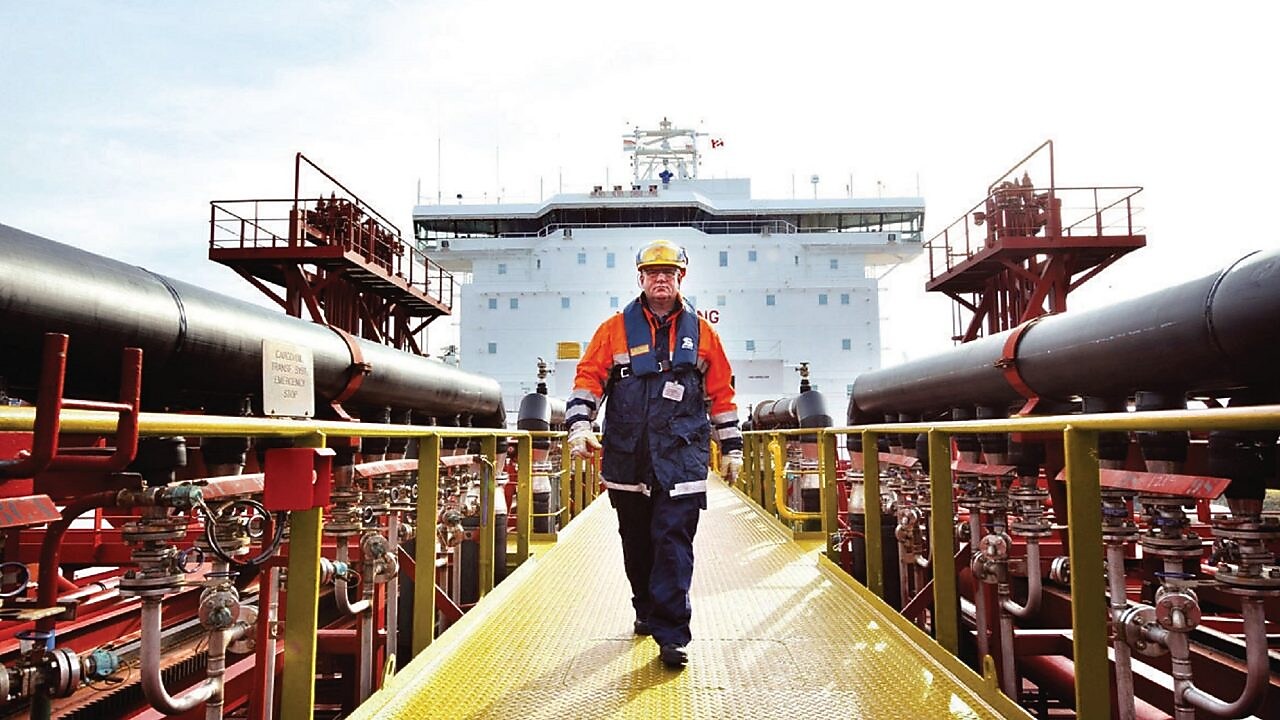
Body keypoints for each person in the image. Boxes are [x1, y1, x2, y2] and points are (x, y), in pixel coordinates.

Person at [566, 238, 743, 669]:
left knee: (673, 542)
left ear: (681, 278)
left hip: (681, 456)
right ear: (641, 279)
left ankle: (672, 634)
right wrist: (579, 426)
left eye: (669, 273)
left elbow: (721, 394)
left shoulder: (704, 334)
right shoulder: (612, 330)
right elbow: (589, 379)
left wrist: (732, 449)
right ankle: (645, 607)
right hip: (628, 457)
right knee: (637, 541)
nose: (661, 279)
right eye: (653, 273)